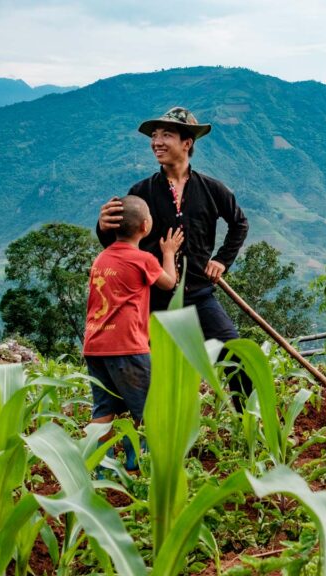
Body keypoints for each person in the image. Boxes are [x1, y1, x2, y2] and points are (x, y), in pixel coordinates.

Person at [96, 107, 251, 405]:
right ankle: (149, 435)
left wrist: (221, 260)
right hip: (152, 299)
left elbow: (239, 223)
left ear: (187, 143)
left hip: (199, 295)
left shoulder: (211, 189)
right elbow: (119, 243)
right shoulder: (142, 192)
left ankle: (246, 424)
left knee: (237, 356)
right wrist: (103, 227)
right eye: (154, 136)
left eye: (166, 134)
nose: (157, 142)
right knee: (149, 374)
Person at [84, 195, 183, 471]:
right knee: (148, 409)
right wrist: (169, 252)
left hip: (95, 345)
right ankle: (139, 460)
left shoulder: (101, 258)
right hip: (127, 346)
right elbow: (169, 283)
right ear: (145, 226)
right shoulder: (143, 259)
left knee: (103, 409)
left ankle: (101, 464)